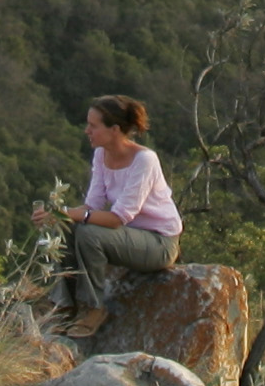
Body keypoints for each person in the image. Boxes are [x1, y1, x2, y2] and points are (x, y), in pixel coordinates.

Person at [38, 94, 181, 335]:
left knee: (88, 234)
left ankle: (93, 308)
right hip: (128, 235)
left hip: (159, 242)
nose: (87, 131)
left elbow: (117, 218)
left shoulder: (144, 160)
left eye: (93, 126)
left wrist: (70, 215)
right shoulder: (101, 155)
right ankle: (64, 304)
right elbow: (91, 205)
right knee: (68, 228)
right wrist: (58, 216)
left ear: (114, 129)